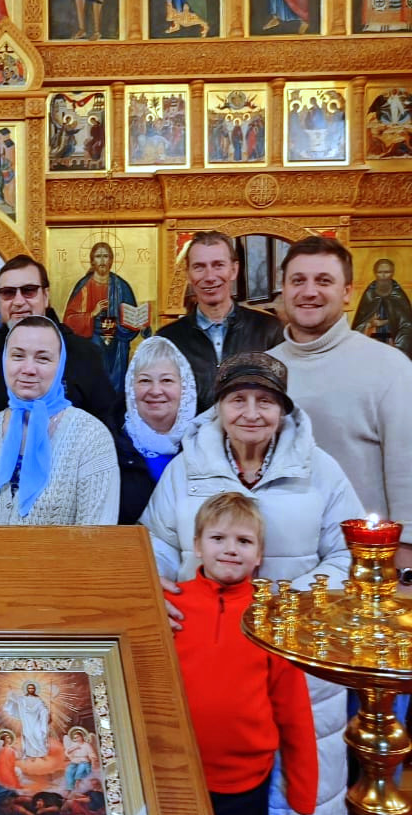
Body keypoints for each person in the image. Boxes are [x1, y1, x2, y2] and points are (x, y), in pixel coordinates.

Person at [139, 352, 363, 815]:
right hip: (208, 647)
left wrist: (287, 603)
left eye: (265, 401)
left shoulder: (320, 469)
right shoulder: (188, 468)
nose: (251, 412)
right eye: (238, 399)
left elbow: (347, 553)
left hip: (295, 656)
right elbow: (154, 542)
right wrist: (157, 591)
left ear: (283, 410)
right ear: (219, 407)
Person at [171, 492, 317, 815]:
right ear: (197, 545)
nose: (230, 549)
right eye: (218, 538)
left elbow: (293, 708)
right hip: (176, 781)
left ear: (259, 555)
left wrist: (304, 789)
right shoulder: (168, 605)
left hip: (243, 785)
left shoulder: (270, 616)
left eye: (244, 541)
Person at [269, 236, 412, 575]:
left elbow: (407, 467)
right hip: (275, 564)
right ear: (284, 289)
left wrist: (406, 559)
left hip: (364, 566)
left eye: (324, 281)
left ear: (347, 292)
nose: (309, 292)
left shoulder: (389, 367)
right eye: (298, 280)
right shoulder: (263, 369)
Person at [0, 315, 119, 525]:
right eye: (18, 356)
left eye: (42, 359)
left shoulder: (91, 437)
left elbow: (98, 534)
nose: (28, 369)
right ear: (4, 360)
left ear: (61, 364)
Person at [0, 255, 116, 432]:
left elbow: (106, 427)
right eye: (8, 293)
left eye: (29, 291)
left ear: (46, 296)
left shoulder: (85, 354)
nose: (18, 301)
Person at [160, 231, 283, 412]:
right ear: (188, 275)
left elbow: (283, 398)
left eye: (218, 265)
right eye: (199, 267)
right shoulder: (168, 339)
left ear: (234, 270)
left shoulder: (269, 330)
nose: (210, 277)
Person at [116, 335, 197, 524]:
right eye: (145, 381)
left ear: (184, 386)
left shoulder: (205, 441)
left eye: (167, 380)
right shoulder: (110, 443)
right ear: (130, 386)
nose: (155, 390)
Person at [62, 241, 149, 393]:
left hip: (118, 341)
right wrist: (92, 314)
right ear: (92, 261)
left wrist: (139, 324)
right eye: (98, 256)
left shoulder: (121, 286)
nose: (102, 261)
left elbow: (131, 315)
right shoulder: (84, 286)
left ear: (112, 260)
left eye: (106, 256)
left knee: (117, 387)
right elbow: (69, 320)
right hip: (93, 340)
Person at [351, 257, 412, 358]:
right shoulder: (369, 294)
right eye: (380, 272)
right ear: (375, 273)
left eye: (387, 272)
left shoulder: (398, 295)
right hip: (372, 342)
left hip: (393, 342)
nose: (383, 276)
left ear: (392, 273)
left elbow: (407, 325)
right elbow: (359, 324)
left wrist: (398, 347)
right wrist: (370, 324)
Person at [3, 682, 50, 759]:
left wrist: (45, 711)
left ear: (35, 689)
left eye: (32, 688)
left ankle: (40, 752)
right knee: (28, 734)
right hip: (27, 721)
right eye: (29, 688)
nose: (31, 689)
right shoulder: (23, 699)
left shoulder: (38, 700)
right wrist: (11, 691)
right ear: (27, 689)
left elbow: (42, 709)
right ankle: (30, 753)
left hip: (36, 720)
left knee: (39, 735)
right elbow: (15, 698)